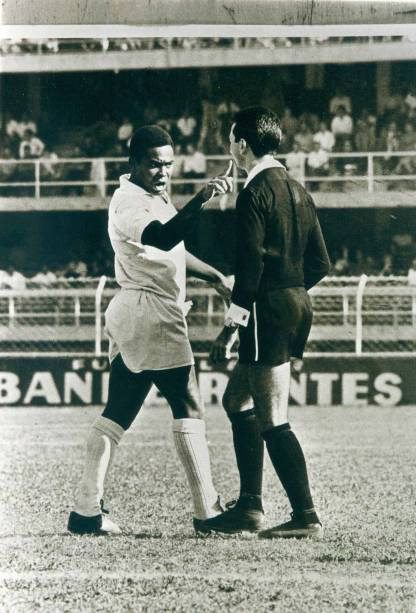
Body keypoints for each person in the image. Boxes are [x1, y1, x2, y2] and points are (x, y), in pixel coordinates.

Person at [67, 125, 233, 535]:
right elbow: (161, 238)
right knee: (189, 404)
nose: (163, 172)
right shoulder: (127, 202)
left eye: (169, 164)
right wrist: (204, 198)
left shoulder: (150, 196)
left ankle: (85, 511)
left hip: (139, 313)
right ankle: (208, 513)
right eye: (154, 164)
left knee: (118, 413)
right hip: (151, 312)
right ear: (134, 164)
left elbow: (172, 251)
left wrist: (214, 276)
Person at [199, 107, 330, 539]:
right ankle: (250, 507)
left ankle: (305, 516)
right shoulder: (297, 188)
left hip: (267, 310)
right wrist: (289, 290)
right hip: (296, 304)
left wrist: (231, 326)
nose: (229, 147)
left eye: (230, 139)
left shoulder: (254, 190)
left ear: (241, 144)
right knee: (238, 402)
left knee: (273, 417)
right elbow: (321, 263)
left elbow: (250, 268)